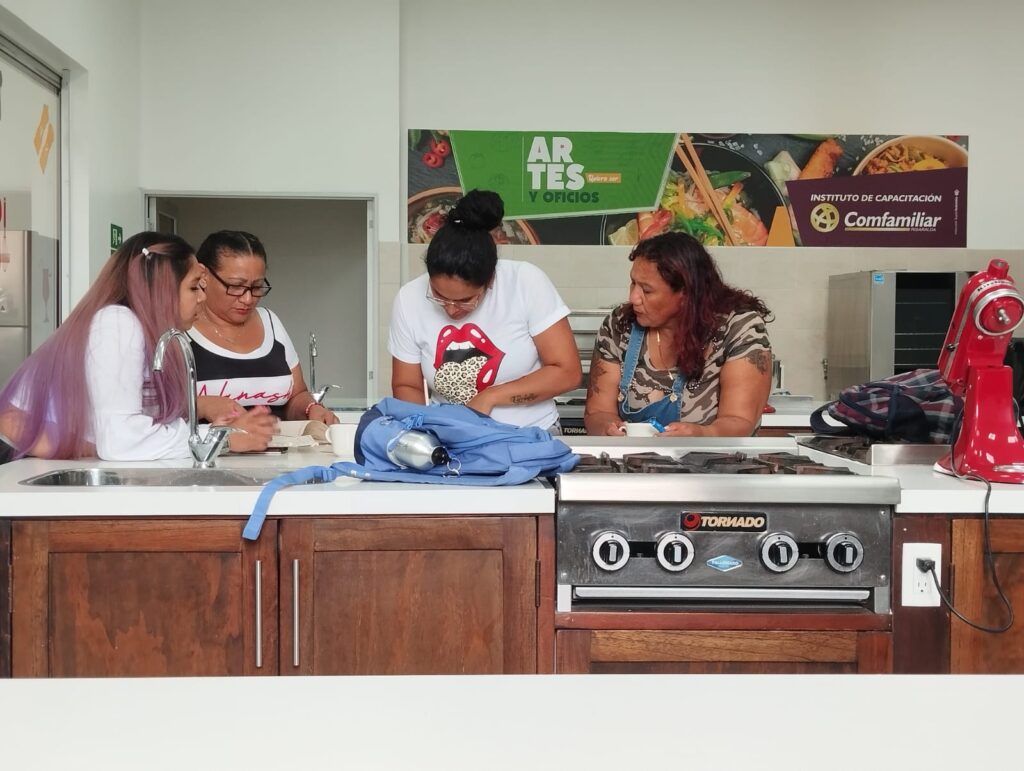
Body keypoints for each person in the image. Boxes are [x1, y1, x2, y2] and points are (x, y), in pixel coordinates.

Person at [0, 232, 277, 460]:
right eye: (194, 287)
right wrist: (222, 439)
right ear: (164, 288)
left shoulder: (150, 333)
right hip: (16, 458)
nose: (202, 298)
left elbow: (131, 428)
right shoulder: (118, 323)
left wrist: (217, 431)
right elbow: (121, 441)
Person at [389, 189, 581, 431]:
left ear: (490, 280)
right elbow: (408, 385)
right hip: (452, 436)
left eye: (465, 300)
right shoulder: (409, 298)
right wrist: (424, 431)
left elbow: (567, 372)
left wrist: (490, 397)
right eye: (439, 296)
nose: (451, 310)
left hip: (530, 434)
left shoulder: (525, 282)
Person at [584, 231, 772, 437]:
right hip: (634, 458)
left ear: (685, 293)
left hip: (715, 457)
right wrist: (608, 429)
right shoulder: (619, 325)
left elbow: (739, 421)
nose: (633, 297)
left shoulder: (739, 328)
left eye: (647, 290)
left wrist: (701, 435)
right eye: (633, 283)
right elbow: (598, 412)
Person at [188, 230, 339, 426]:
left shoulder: (271, 323)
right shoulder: (181, 332)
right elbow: (160, 413)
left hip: (278, 445)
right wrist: (202, 404)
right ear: (203, 276)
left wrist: (311, 408)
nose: (248, 299)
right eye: (236, 286)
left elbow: (296, 396)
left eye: (257, 286)